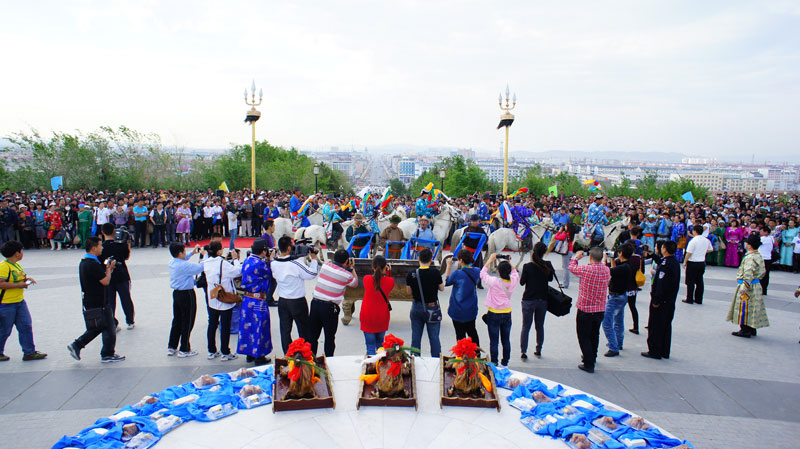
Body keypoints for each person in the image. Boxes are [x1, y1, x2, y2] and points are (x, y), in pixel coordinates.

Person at [67, 236, 125, 363]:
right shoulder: (92, 264)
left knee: (101, 326)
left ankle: (78, 345)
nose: (102, 248)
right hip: (99, 301)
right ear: (94, 248)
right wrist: (109, 269)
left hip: (92, 300)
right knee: (108, 327)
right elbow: (105, 281)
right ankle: (106, 353)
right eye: (100, 245)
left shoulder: (85, 262)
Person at [271, 236, 319, 354]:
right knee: (304, 330)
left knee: (285, 331)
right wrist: (314, 259)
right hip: (297, 301)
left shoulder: (274, 263)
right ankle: (305, 355)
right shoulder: (296, 263)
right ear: (289, 248)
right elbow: (311, 274)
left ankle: (288, 354)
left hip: (282, 301)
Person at [0, 241, 46, 361]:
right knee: (5, 329)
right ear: (17, 253)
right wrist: (20, 285)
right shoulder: (4, 267)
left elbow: (20, 277)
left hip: (19, 302)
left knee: (26, 326)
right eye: (21, 251)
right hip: (6, 304)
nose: (22, 253)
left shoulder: (17, 266)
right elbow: (1, 284)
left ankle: (29, 352)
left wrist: (27, 279)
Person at [568, 248, 611, 373]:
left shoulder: (586, 269)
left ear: (590, 257)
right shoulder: (606, 270)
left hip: (586, 308)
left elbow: (571, 267)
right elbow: (604, 267)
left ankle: (588, 362)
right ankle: (592, 356)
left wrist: (576, 257)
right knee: (594, 334)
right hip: (599, 309)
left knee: (583, 336)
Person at [308, 249, 357, 356]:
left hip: (315, 304)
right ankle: (329, 360)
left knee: (312, 336)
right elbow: (355, 283)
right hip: (329, 308)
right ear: (347, 261)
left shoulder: (325, 266)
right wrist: (351, 268)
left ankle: (310, 359)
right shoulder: (346, 275)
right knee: (329, 338)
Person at [642, 241, 680, 360]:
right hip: (670, 301)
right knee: (666, 326)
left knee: (655, 326)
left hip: (661, 302)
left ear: (665, 249)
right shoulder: (673, 262)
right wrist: (652, 254)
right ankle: (664, 350)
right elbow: (661, 261)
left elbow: (661, 285)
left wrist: (656, 300)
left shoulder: (665, 266)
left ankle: (654, 350)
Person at [203, 241, 241, 361]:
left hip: (213, 298)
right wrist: (235, 259)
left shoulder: (206, 262)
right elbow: (237, 272)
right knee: (225, 326)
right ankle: (225, 352)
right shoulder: (223, 263)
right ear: (219, 251)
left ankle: (211, 351)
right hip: (225, 299)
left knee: (212, 324)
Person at [238, 239, 274, 365]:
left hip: (247, 299)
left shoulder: (248, 260)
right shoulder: (260, 264)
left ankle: (249, 354)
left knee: (248, 327)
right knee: (260, 327)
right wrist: (271, 260)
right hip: (258, 300)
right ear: (263, 251)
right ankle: (259, 356)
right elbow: (269, 274)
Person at [167, 242, 205, 357]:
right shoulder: (184, 266)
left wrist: (192, 253)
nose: (185, 253)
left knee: (177, 320)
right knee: (187, 321)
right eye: (184, 251)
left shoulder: (172, 262)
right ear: (180, 253)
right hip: (186, 294)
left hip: (177, 293)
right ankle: (184, 348)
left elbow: (184, 259)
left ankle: (172, 346)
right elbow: (200, 267)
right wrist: (205, 256)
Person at [480, 253, 518, 367]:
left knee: (494, 341)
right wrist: (509, 262)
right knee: (506, 340)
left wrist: (490, 260)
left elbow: (482, 274)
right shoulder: (513, 280)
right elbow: (515, 272)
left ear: (498, 272)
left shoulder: (494, 281)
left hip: (494, 313)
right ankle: (505, 362)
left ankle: (494, 362)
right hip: (507, 313)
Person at [727, 235, 768, 338]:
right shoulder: (758, 255)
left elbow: (748, 273)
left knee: (744, 307)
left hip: (748, 286)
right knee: (753, 306)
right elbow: (763, 271)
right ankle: (751, 328)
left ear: (749, 245)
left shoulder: (750, 257)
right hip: (755, 284)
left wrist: (744, 286)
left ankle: (745, 330)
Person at [405, 248, 444, 357]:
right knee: (434, 337)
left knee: (416, 337)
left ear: (419, 259)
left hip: (417, 307)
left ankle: (415, 359)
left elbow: (409, 292)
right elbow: (442, 288)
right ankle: (436, 360)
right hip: (432, 308)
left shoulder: (412, 274)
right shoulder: (435, 272)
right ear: (431, 260)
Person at [518, 242, 553, 360]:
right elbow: (550, 279)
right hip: (542, 299)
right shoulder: (547, 265)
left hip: (529, 299)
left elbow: (522, 282)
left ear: (533, 252)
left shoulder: (528, 266)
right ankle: (538, 349)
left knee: (526, 326)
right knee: (540, 326)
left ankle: (523, 351)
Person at [99, 223, 135, 330]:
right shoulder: (121, 244)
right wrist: (128, 244)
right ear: (114, 231)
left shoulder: (101, 247)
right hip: (122, 274)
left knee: (110, 301)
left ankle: (113, 322)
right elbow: (127, 257)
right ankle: (130, 321)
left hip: (108, 276)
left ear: (102, 232)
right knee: (126, 298)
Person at [444, 249, 481, 346]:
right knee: (472, 331)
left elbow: (447, 281)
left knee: (460, 334)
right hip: (471, 308)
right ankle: (476, 352)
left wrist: (449, 265)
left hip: (458, 309)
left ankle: (462, 352)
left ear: (460, 260)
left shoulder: (457, 274)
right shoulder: (477, 271)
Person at [603, 244, 633, 357]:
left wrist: (605, 259)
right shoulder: (626, 266)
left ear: (621, 253)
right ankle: (618, 343)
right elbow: (615, 271)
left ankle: (613, 346)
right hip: (621, 296)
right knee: (619, 321)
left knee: (607, 322)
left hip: (615, 297)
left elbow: (607, 271)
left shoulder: (623, 268)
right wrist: (612, 259)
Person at [360, 255, 394, 355]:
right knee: (380, 346)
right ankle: (380, 363)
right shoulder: (390, 281)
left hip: (368, 316)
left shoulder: (366, 279)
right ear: (385, 267)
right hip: (382, 317)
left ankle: (371, 363)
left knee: (370, 346)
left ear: (372, 267)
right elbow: (387, 282)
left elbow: (375, 279)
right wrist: (388, 273)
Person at [683, 225, 713, 304]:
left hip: (692, 262)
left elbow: (689, 253)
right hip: (701, 262)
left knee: (690, 281)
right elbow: (711, 249)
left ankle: (689, 298)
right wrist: (703, 251)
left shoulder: (693, 241)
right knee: (699, 281)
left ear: (695, 231)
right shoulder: (706, 240)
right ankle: (699, 299)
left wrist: (685, 261)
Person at [758, 227, 774, 295]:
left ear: (766, 232)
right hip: (768, 258)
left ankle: (761, 289)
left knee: (761, 274)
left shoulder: (763, 238)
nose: (760, 233)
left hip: (762, 258)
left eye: (761, 231)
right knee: (766, 274)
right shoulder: (771, 238)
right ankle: (764, 290)